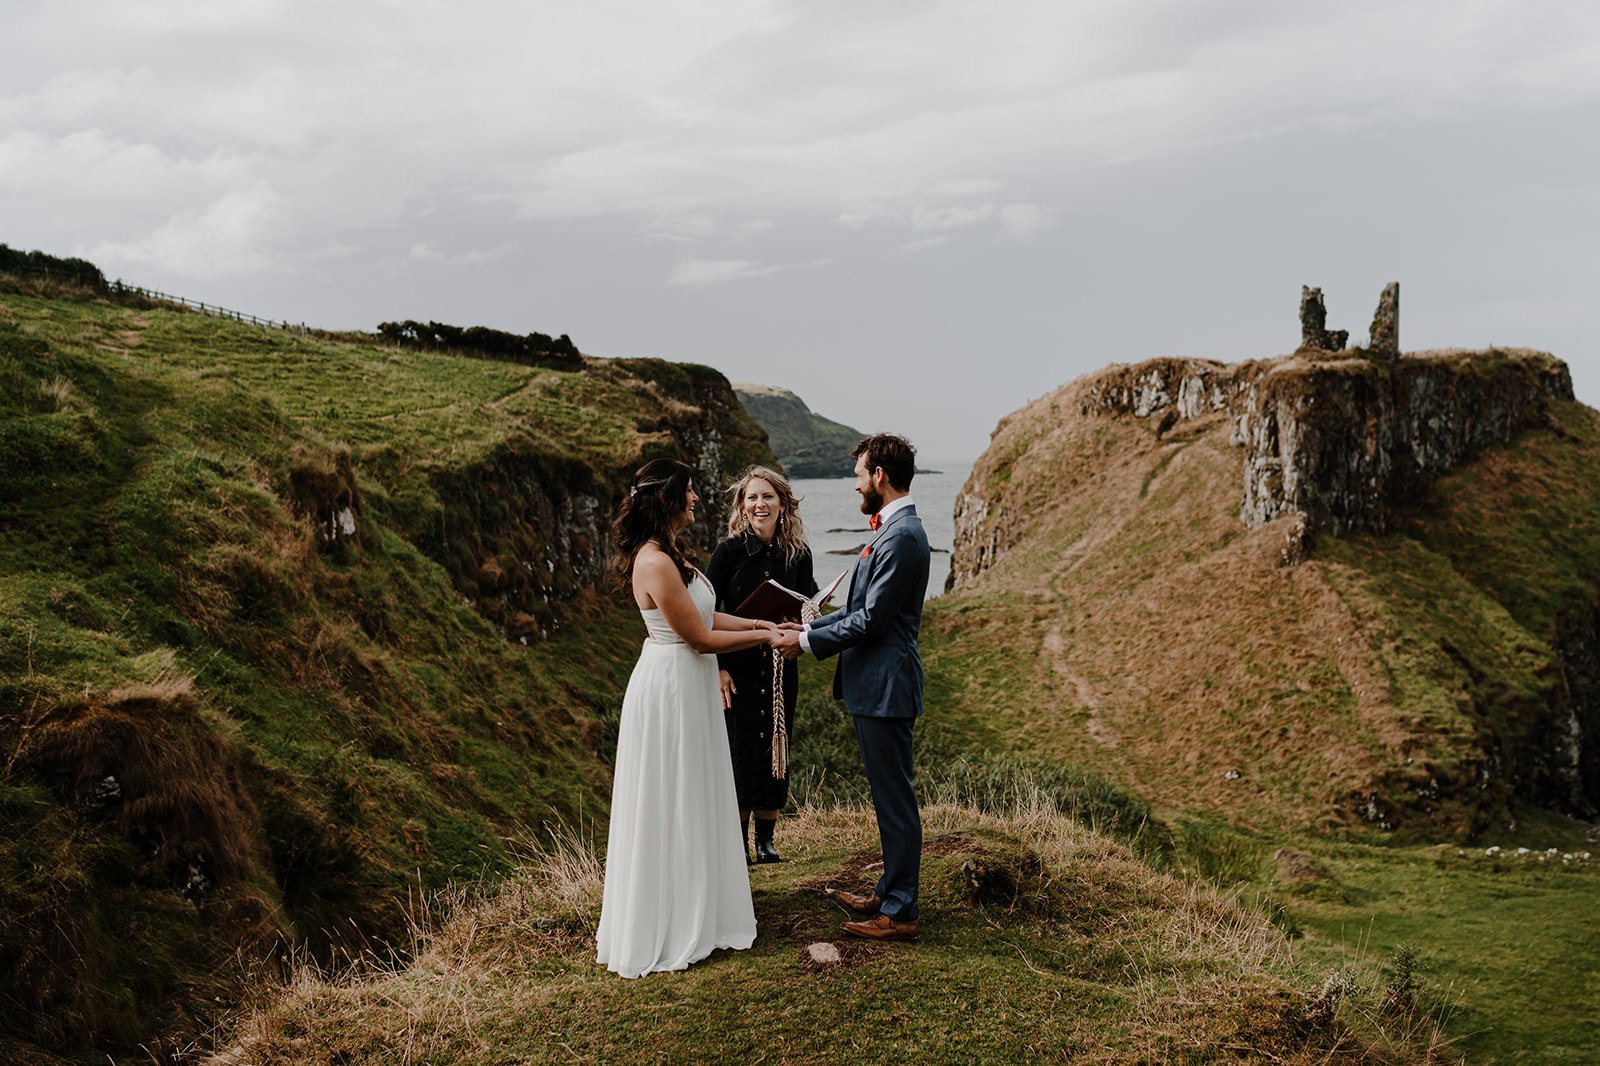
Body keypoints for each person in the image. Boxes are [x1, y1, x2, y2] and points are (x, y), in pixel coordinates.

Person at [594, 458, 780, 978]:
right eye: (691, 492)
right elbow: (698, 639)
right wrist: (765, 638)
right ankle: (672, 921)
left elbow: (706, 615)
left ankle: (703, 906)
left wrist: (759, 619)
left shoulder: (670, 553)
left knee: (693, 788)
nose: (697, 499)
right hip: (671, 682)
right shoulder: (653, 562)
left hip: (688, 680)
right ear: (667, 499)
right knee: (670, 792)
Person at [774, 434, 929, 941]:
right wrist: (809, 626)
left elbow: (873, 621)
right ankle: (890, 889)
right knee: (889, 796)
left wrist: (807, 642)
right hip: (875, 685)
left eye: (860, 473)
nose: (856, 483)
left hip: (887, 686)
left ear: (880, 475)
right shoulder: (892, 530)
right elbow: (862, 611)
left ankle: (901, 911)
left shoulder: (903, 535)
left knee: (895, 799)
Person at [706, 466, 818, 864]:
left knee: (777, 746)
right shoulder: (727, 553)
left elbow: (809, 606)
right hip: (734, 670)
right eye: (752, 497)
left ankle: (766, 842)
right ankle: (737, 845)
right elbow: (705, 613)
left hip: (780, 667)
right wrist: (717, 667)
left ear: (783, 504)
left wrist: (803, 625)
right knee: (739, 751)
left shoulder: (799, 555)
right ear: (741, 506)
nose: (760, 504)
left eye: (768, 496)